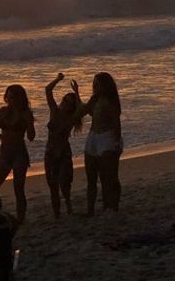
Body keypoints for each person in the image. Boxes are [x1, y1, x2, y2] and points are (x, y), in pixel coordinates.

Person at [0, 84, 36, 222]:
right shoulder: (3, 111)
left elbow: (31, 137)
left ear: (20, 98)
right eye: (7, 96)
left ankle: (20, 220)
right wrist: (1, 137)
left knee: (18, 190)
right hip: (5, 153)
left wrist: (29, 123)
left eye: (12, 96)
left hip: (19, 153)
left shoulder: (25, 113)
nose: (9, 99)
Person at [79, 72, 123, 214]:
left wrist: (116, 142)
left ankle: (112, 206)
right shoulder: (95, 99)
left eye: (98, 84)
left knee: (109, 176)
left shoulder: (110, 101)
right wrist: (77, 93)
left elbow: (116, 122)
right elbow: (86, 111)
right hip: (93, 136)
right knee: (91, 176)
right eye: (94, 84)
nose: (95, 86)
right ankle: (90, 209)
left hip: (107, 137)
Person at [43, 72, 84, 218]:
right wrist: (58, 79)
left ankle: (68, 205)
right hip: (50, 151)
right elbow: (48, 90)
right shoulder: (54, 111)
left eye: (68, 103)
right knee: (52, 185)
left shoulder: (72, 118)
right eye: (65, 101)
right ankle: (57, 212)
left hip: (63, 152)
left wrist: (77, 93)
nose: (65, 104)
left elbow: (81, 110)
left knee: (64, 183)